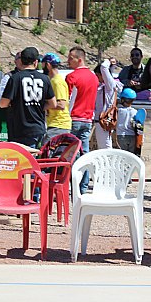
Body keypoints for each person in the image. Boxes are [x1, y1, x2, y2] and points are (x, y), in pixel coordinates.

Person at [0, 47, 56, 148]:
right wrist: (37, 107)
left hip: (19, 127)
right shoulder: (45, 79)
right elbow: (53, 103)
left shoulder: (15, 78)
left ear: (21, 61)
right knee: (31, 158)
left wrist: (18, 106)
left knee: (21, 159)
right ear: (36, 62)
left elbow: (3, 104)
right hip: (38, 127)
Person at [65, 46, 98, 193]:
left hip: (73, 118)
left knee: (69, 154)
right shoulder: (93, 77)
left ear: (79, 59)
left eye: (70, 58)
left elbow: (67, 99)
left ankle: (70, 185)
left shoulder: (72, 77)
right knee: (85, 153)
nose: (68, 60)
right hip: (87, 119)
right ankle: (83, 188)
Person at [41, 53, 71, 145]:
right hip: (55, 124)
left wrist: (42, 106)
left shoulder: (57, 82)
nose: (42, 68)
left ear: (48, 65)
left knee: (45, 152)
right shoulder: (53, 80)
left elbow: (61, 104)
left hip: (59, 125)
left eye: (43, 65)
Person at [93, 58, 123, 149]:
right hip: (104, 121)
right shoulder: (107, 86)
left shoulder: (109, 86)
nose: (97, 78)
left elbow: (103, 67)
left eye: (98, 75)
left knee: (105, 148)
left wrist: (108, 61)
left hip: (103, 121)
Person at [116, 88, 138, 153]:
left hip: (121, 136)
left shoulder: (118, 111)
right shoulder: (135, 111)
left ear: (122, 99)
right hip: (132, 136)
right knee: (131, 155)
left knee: (122, 155)